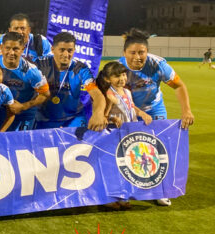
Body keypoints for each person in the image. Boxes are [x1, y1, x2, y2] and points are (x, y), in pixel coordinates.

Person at [118, 28, 194, 207]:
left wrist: (187, 111)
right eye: (133, 52)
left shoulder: (158, 64)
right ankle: (126, 190)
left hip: (154, 108)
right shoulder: (117, 69)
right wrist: (138, 113)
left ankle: (159, 191)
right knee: (128, 148)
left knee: (158, 148)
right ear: (124, 53)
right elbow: (118, 98)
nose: (137, 57)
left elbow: (179, 86)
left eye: (142, 52)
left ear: (147, 51)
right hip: (128, 109)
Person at [96, 61, 152, 211]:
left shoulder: (127, 92)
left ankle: (124, 197)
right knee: (114, 167)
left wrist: (142, 113)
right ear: (107, 79)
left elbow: (131, 107)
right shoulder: (109, 95)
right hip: (115, 136)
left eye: (123, 75)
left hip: (129, 134)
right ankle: (109, 198)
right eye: (116, 76)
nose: (122, 79)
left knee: (127, 165)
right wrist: (113, 118)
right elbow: (104, 116)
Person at [35, 32, 107, 130]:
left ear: (74, 50)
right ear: (52, 49)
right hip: (44, 119)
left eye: (70, 50)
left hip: (73, 118)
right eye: (62, 50)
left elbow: (97, 94)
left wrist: (99, 113)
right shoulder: (39, 65)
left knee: (82, 138)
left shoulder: (81, 69)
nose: (66, 54)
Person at [0, 31, 50, 131]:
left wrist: (24, 106)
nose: (11, 53)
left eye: (15, 49)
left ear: (22, 49)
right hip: (0, 111)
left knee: (21, 140)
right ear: (1, 47)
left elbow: (45, 94)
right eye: (7, 48)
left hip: (24, 114)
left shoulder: (32, 72)